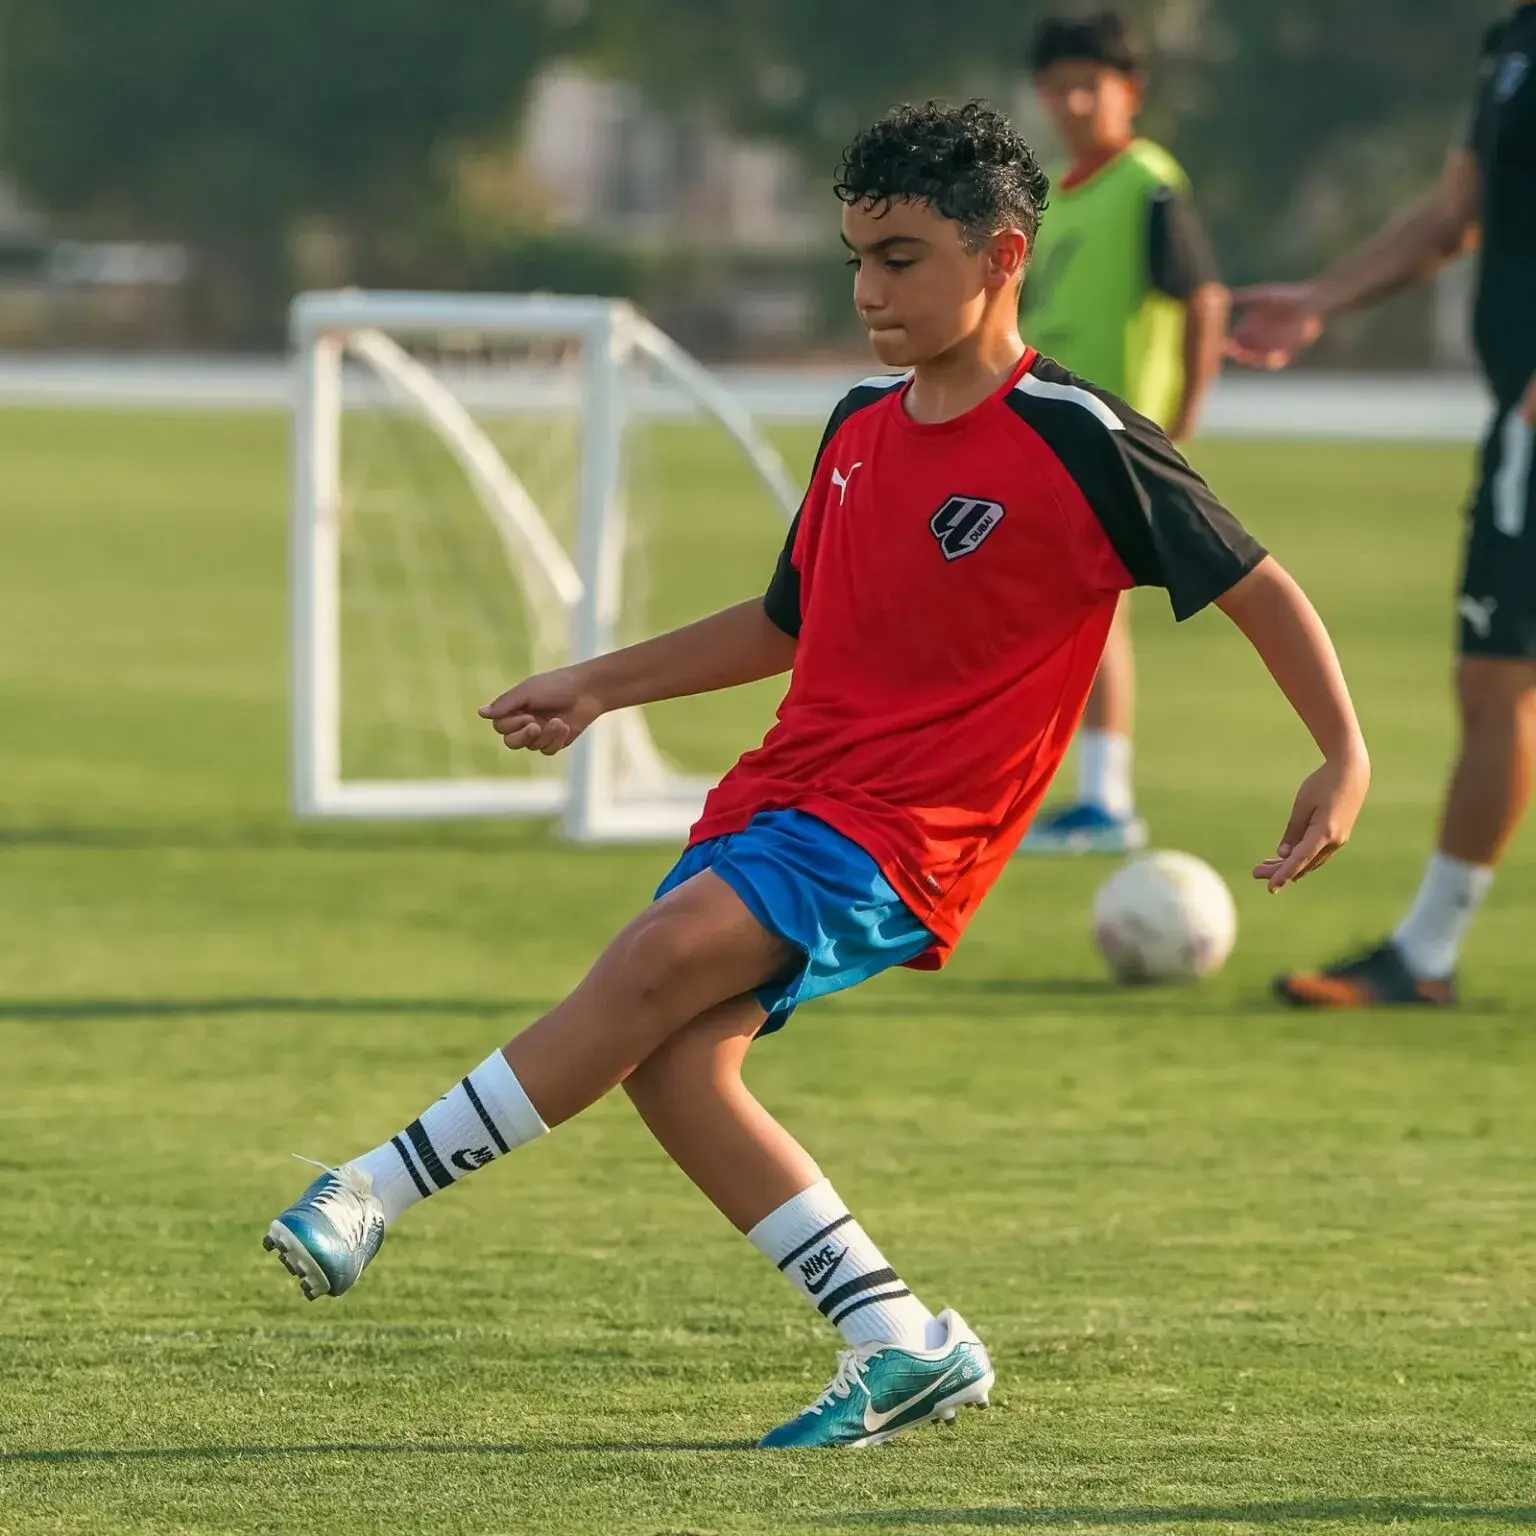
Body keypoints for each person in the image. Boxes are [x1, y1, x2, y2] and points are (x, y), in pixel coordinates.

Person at [264, 101, 1369, 1450]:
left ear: (1000, 256)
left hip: (909, 832)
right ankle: (897, 1338)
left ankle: (373, 1188)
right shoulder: (857, 428)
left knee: (657, 959)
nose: (869, 291)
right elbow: (786, 623)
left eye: (901, 259)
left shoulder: (1081, 436)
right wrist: (601, 683)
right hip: (785, 796)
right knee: (674, 1070)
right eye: (855, 258)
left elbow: (1256, 583)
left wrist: (1341, 750)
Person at [1232, 2, 1536, 1008]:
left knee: (1501, 684)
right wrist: (1321, 299)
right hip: (1519, 422)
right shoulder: (1513, 42)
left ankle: (1429, 952)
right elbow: (1455, 217)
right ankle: (1428, 952)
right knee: (1496, 684)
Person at [1020, 9, 1230, 854]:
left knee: (1089, 605)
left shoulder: (1147, 181)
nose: (1074, 102)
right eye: (1059, 86)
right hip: (1046, 427)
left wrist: (1177, 426)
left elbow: (1203, 295)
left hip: (1112, 432)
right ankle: (1074, 790)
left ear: (1129, 93)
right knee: (1052, 606)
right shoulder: (1056, 195)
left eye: (1090, 85)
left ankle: (1105, 800)